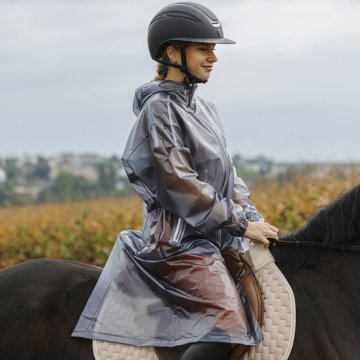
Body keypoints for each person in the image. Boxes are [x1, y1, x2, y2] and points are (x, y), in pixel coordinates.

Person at [72, 2, 279, 360]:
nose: (213, 57)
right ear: (173, 53)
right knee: (227, 323)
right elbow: (177, 182)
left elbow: (229, 175)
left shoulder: (205, 109)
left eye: (214, 48)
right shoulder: (160, 109)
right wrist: (241, 223)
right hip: (178, 245)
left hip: (215, 236)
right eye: (204, 48)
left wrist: (252, 217)